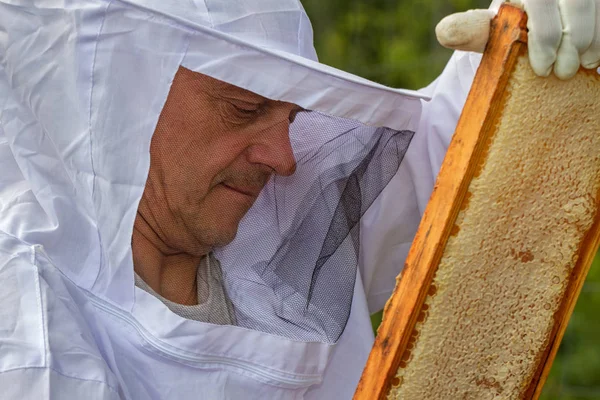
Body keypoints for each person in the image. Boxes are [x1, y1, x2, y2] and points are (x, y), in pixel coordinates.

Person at [0, 0, 597, 399]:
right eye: (244, 108)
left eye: (293, 116)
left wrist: (542, 24)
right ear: (113, 102)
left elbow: (469, 172)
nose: (282, 158)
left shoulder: (283, 207)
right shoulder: (23, 319)